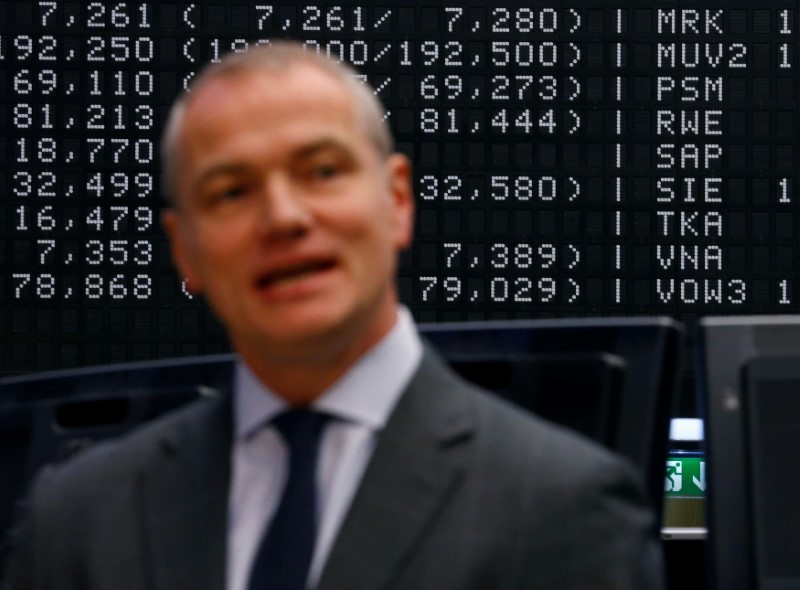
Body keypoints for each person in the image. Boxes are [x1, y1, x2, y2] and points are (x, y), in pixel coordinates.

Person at [4, 41, 665, 589]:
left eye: (321, 171)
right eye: (231, 191)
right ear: (186, 249)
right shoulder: (78, 522)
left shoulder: (563, 507)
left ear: (397, 201)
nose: (284, 218)